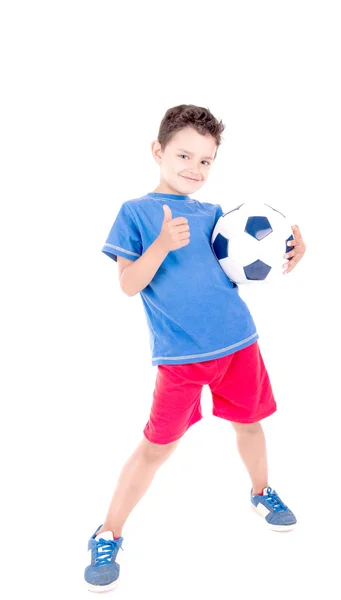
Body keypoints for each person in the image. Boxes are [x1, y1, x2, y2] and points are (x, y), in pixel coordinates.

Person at [84, 104, 307, 592]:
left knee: (250, 424)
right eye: (184, 155)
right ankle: (108, 532)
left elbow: (254, 253)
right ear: (157, 150)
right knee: (156, 447)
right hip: (180, 360)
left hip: (238, 345)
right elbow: (128, 284)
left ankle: (262, 491)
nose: (194, 168)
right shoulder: (136, 213)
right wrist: (160, 244)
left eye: (206, 161)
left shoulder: (215, 215)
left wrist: (293, 246)